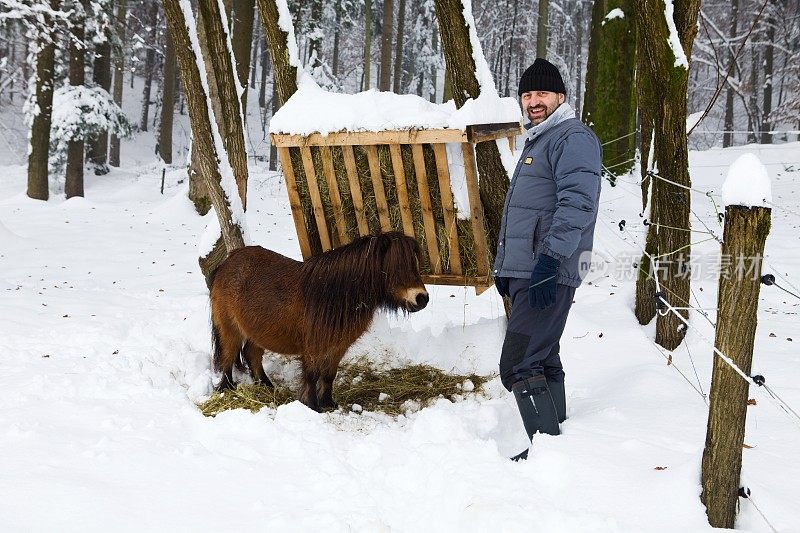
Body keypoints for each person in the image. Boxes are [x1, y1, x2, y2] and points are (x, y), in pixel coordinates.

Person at [493, 58, 602, 461]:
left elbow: (578, 205)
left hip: (549, 269)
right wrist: (509, 268)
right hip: (532, 268)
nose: (533, 101)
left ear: (561, 96)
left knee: (519, 361)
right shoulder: (539, 139)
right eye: (527, 94)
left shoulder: (571, 137)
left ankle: (546, 453)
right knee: (542, 353)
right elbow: (529, 211)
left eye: (541, 94)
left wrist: (548, 262)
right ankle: (559, 443)